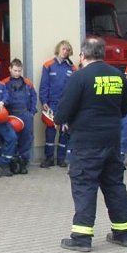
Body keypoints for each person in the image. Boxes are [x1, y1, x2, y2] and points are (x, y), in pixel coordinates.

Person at [55, 37, 127, 252]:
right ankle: (123, 233)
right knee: (114, 184)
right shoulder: (118, 76)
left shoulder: (79, 77)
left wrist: (60, 120)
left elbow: (64, 110)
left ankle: (81, 237)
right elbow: (125, 108)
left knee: (84, 185)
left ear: (82, 55)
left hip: (86, 143)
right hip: (112, 140)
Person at [39, 40, 76, 168]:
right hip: (51, 104)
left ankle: (61, 159)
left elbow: (74, 88)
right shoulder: (48, 65)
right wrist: (44, 101)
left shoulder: (72, 68)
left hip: (66, 104)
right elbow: (44, 85)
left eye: (67, 50)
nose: (65, 52)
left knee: (65, 131)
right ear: (58, 49)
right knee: (50, 131)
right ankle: (49, 158)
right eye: (63, 49)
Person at [1, 58, 38, 174]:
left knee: (26, 138)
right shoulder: (4, 83)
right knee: (13, 139)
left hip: (25, 113)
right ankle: (13, 162)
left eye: (19, 71)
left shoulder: (27, 83)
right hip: (12, 115)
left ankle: (23, 162)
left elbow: (34, 97)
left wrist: (31, 112)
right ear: (10, 69)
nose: (17, 73)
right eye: (15, 70)